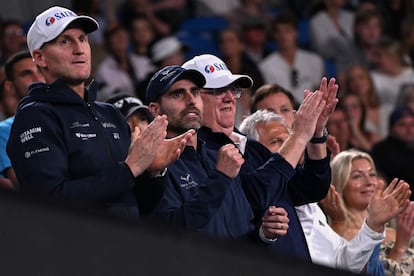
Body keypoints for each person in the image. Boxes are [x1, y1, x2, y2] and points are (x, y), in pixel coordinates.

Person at [6, 6, 193, 219]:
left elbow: (142, 206)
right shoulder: (34, 117)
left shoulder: (111, 114)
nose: (79, 49)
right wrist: (130, 168)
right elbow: (50, 201)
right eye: (65, 41)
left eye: (83, 39)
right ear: (40, 58)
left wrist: (153, 172)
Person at [183, 53, 336, 260]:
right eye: (218, 90)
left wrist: (316, 136)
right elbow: (253, 197)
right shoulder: (197, 152)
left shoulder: (252, 146)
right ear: (194, 98)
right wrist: (299, 136)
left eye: (231, 89)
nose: (229, 97)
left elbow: (311, 188)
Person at [239, 109, 411, 273]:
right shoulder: (254, 199)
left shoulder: (310, 205)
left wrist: (373, 225)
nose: (291, 146)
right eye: (276, 141)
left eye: (289, 139)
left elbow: (344, 262)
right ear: (254, 153)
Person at [145, 64, 289, 241]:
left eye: (195, 92)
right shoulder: (154, 168)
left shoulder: (219, 158)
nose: (190, 100)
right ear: (155, 109)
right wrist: (220, 178)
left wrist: (264, 233)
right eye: (178, 94)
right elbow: (170, 231)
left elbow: (241, 230)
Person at [322, 149, 413, 275]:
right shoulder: (337, 236)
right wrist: (399, 248)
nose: (369, 182)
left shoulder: (400, 232)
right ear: (340, 183)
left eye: (372, 174)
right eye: (357, 176)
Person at [0, 51, 45, 190]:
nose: (37, 78)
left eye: (40, 70)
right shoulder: (3, 131)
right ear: (10, 87)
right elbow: (25, 187)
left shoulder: (69, 118)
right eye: (26, 74)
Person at [259, 12, 324, 103]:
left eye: (287, 31)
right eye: (278, 32)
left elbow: (318, 91)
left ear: (296, 33)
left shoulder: (314, 61)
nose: (283, 36)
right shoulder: (266, 66)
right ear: (274, 36)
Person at [95, 23, 155, 101]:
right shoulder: (104, 70)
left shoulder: (142, 61)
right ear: (108, 42)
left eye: (122, 33)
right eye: (114, 35)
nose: (120, 36)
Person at [371, 106, 414, 197]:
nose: (409, 129)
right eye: (402, 125)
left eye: (412, 124)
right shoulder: (381, 150)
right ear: (390, 128)